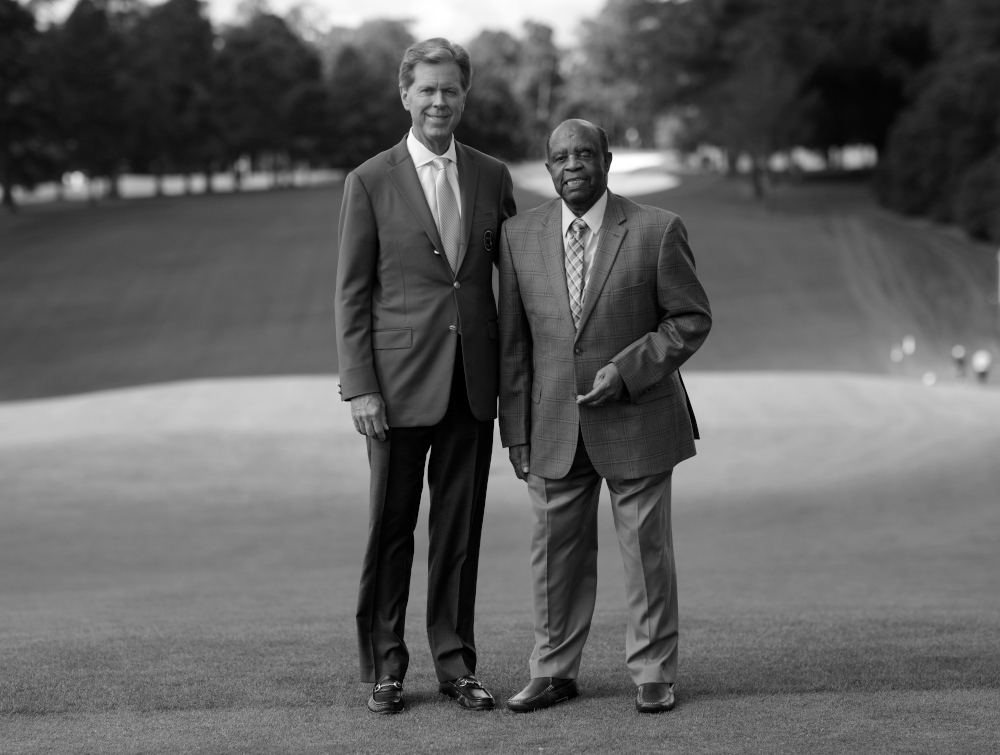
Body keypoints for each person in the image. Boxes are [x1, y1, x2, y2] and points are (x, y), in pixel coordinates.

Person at [498, 119, 711, 714]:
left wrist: (628, 368)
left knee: (646, 552)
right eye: (561, 157)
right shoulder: (519, 236)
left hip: (639, 416)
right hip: (552, 427)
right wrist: (514, 430)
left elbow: (689, 319)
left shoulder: (656, 230)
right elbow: (515, 347)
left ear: (606, 160)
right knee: (553, 557)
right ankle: (553, 671)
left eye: (584, 154)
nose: (573, 165)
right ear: (548, 169)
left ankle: (652, 673)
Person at [335, 38, 516, 714]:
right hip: (395, 387)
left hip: (472, 383)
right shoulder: (370, 180)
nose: (440, 101)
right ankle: (385, 665)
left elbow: (513, 279)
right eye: (428, 89)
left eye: (452, 89)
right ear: (405, 94)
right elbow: (351, 293)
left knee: (459, 532)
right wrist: (359, 384)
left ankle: (456, 664)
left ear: (465, 95)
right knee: (392, 527)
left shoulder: (492, 177)